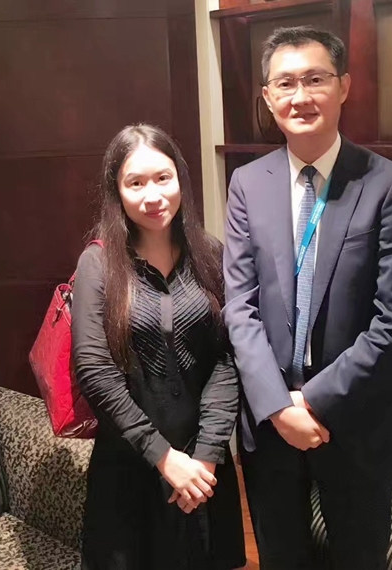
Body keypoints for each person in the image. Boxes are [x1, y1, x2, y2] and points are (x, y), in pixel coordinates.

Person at [223, 26, 392, 570]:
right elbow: (239, 307)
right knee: (280, 556)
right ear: (268, 97)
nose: (301, 96)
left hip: (357, 418)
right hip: (269, 422)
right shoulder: (247, 183)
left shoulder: (388, 184)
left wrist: (310, 402)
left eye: (316, 79)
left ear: (344, 87)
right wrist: (277, 406)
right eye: (285, 83)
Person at [71, 123, 246, 570]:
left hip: (202, 466)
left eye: (163, 178)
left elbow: (227, 358)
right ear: (117, 191)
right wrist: (164, 458)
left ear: (180, 179)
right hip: (130, 463)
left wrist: (206, 457)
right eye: (135, 183)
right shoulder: (98, 263)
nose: (153, 195)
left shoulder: (210, 254)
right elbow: (93, 368)